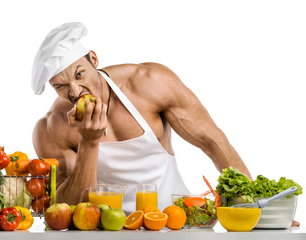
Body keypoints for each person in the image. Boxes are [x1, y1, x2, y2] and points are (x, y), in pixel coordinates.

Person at [31, 22, 252, 213]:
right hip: (110, 230)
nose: (76, 91)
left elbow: (213, 142)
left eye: (80, 74)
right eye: (61, 86)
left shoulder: (148, 83)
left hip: (177, 223)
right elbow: (68, 208)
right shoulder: (51, 128)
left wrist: (253, 207)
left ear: (94, 59)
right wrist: (88, 143)